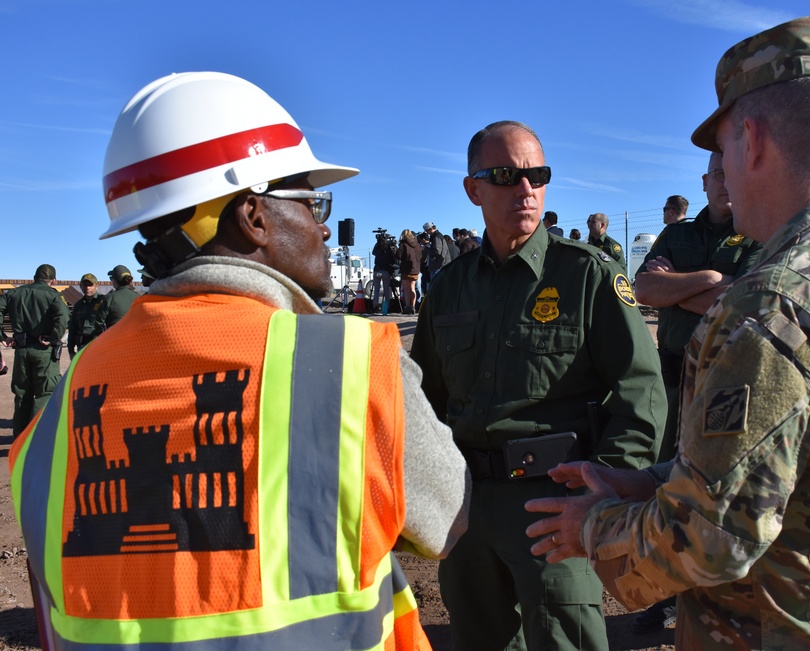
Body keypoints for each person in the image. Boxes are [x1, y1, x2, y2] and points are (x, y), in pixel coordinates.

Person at [9, 71, 469, 650]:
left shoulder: (64, 407)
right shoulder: (350, 366)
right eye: (311, 201)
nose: (323, 227)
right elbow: (446, 518)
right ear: (253, 216)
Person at [525, 17, 810, 650]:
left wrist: (594, 526)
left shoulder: (775, 302)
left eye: (719, 152)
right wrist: (654, 480)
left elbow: (708, 538)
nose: (720, 173)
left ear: (749, 141)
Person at [410, 120, 665, 651]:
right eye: (505, 176)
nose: (526, 190)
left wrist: (608, 486)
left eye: (537, 175)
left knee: (564, 639)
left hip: (555, 502)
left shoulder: (587, 275)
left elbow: (640, 389)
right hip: (467, 506)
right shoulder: (448, 288)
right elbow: (427, 401)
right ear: (473, 189)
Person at [635, 158, 762, 461]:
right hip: (671, 374)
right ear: (705, 182)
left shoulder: (759, 234)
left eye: (735, 172)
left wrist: (672, 288)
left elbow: (743, 305)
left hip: (726, 378)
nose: (727, 182)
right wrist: (712, 279)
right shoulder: (676, 235)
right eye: (720, 174)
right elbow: (643, 290)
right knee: (659, 465)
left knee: (711, 468)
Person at [0, 263, 69, 437]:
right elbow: (63, 316)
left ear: (34, 277)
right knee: (44, 394)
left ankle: (20, 440)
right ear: (53, 280)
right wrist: (53, 337)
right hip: (43, 351)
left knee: (22, 395)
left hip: (21, 350)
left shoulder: (14, 293)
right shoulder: (53, 295)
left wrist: (2, 336)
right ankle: (39, 440)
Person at [67, 273, 106, 358]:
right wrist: (70, 350)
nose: (87, 288)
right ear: (81, 286)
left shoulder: (104, 302)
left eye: (90, 285)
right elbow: (73, 328)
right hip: (82, 347)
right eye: (85, 285)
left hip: (100, 346)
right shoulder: (78, 305)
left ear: (96, 286)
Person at [397, 228, 422, 315]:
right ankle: (413, 307)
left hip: (405, 269)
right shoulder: (417, 244)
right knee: (413, 288)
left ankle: (407, 307)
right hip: (415, 268)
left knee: (406, 289)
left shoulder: (403, 244)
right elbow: (421, 256)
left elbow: (399, 255)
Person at [372, 231, 397, 312]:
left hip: (377, 271)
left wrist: (377, 243)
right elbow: (393, 261)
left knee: (376, 290)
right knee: (386, 290)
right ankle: (387, 307)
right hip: (386, 271)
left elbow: (373, 253)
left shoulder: (377, 248)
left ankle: (375, 305)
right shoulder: (388, 249)